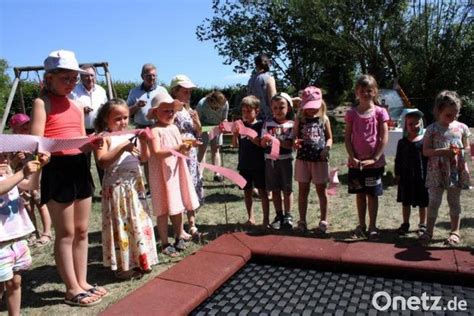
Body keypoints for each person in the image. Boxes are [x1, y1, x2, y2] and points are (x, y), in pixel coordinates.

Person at [30, 50, 106, 307]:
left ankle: (82, 281)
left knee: (82, 230)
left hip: (78, 166)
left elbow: (80, 144)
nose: (72, 83)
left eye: (75, 78)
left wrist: (92, 144)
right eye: (66, 78)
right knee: (66, 232)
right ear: (49, 78)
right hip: (57, 169)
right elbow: (37, 142)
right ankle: (71, 289)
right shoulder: (43, 103)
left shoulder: (76, 106)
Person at [94, 99, 158, 279]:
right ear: (106, 119)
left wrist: (144, 142)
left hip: (134, 187)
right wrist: (123, 147)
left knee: (137, 224)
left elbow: (144, 158)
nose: (123, 122)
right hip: (117, 188)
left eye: (125, 118)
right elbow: (102, 162)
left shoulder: (131, 134)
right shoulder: (103, 137)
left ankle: (142, 259)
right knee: (122, 225)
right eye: (118, 118)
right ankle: (124, 266)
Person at [147, 91, 200, 257]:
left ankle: (179, 235)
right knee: (163, 208)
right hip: (161, 174)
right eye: (166, 110)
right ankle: (164, 242)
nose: (170, 114)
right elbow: (156, 152)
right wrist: (178, 148)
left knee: (177, 205)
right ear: (155, 112)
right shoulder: (154, 131)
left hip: (175, 172)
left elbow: (179, 148)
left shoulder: (174, 128)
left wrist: (187, 146)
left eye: (172, 110)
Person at [421, 90, 471, 246]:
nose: (453, 118)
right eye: (449, 115)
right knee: (434, 201)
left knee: (454, 201)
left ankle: (455, 231)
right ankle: (429, 231)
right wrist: (443, 152)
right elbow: (426, 151)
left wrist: (458, 151)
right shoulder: (432, 129)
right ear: (438, 111)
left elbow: (468, 148)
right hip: (437, 171)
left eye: (455, 114)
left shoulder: (462, 127)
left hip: (455, 170)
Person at [344, 74, 389, 240]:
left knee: (372, 195)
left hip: (374, 164)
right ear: (357, 92)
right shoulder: (352, 113)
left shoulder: (380, 112)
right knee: (360, 194)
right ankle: (361, 225)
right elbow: (347, 137)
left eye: (369, 90)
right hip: (356, 164)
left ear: (375, 92)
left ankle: (372, 226)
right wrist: (352, 157)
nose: (366, 93)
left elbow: (384, 137)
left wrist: (375, 157)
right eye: (362, 90)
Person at [0, 155, 45, 315]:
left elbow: (31, 185)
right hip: (1, 244)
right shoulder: (11, 177)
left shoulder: (9, 175)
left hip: (16, 238)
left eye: (5, 156)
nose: (4, 160)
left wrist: (38, 168)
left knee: (15, 281)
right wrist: (22, 173)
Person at [293, 87, 333, 233]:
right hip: (303, 160)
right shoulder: (299, 119)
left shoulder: (324, 118)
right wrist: (295, 143)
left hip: (319, 161)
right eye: (309, 108)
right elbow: (294, 137)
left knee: (321, 191)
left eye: (314, 107)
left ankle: (323, 220)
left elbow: (329, 138)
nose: (311, 111)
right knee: (303, 190)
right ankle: (302, 221)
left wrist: (326, 149)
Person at [8, 114, 52, 247]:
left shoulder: (34, 141)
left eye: (28, 125)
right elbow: (10, 167)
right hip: (21, 179)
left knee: (41, 203)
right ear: (14, 130)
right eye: (22, 127)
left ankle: (47, 232)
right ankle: (33, 232)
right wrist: (16, 159)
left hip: (35, 177)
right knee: (27, 206)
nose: (26, 128)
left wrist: (32, 156)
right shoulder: (11, 145)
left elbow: (42, 159)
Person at [169, 74, 203, 239]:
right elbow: (170, 133)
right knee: (181, 187)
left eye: (190, 92)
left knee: (191, 186)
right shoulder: (171, 109)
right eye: (185, 91)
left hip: (192, 152)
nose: (188, 95)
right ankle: (180, 227)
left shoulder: (189, 109)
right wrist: (186, 142)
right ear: (175, 91)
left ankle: (192, 224)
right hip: (179, 152)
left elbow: (199, 131)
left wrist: (197, 121)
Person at [232, 95, 269, 226]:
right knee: (247, 192)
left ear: (256, 111)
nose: (245, 114)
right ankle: (251, 217)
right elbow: (235, 145)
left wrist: (249, 133)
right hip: (244, 164)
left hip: (258, 164)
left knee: (262, 192)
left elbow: (261, 144)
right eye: (243, 111)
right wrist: (235, 134)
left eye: (249, 111)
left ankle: (265, 220)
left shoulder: (260, 125)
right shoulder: (240, 125)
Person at [70, 64, 108, 187]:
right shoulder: (73, 91)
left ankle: (105, 187)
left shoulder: (101, 90)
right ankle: (88, 190)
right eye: (85, 76)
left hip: (99, 130)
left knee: (101, 160)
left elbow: (107, 108)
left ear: (95, 76)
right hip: (81, 131)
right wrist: (80, 110)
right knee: (83, 162)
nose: (89, 78)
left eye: (91, 75)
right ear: (80, 77)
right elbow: (68, 109)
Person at [261, 93, 294, 230]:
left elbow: (289, 144)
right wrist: (264, 140)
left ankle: (288, 216)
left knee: (287, 189)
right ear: (271, 109)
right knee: (274, 189)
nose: (278, 110)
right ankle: (278, 215)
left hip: (285, 160)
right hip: (270, 162)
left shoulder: (292, 124)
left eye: (282, 107)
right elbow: (262, 145)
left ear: (288, 108)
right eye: (275, 108)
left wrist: (276, 140)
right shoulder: (267, 124)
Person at [394, 109, 428, 236]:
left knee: (423, 201)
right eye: (410, 124)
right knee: (406, 201)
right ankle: (405, 223)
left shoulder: (425, 141)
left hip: (422, 176)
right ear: (406, 126)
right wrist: (397, 174)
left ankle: (422, 224)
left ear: (421, 123)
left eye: (416, 123)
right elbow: (398, 160)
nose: (414, 126)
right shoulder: (402, 142)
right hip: (406, 177)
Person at [196, 90, 229, 182]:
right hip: (203, 127)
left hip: (216, 127)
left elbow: (224, 118)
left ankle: (217, 174)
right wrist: (198, 131)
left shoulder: (225, 103)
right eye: (217, 106)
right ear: (211, 101)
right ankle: (199, 174)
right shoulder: (202, 104)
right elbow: (197, 119)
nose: (219, 108)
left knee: (216, 149)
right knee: (202, 149)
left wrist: (224, 123)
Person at [127, 63, 168, 128]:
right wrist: (136, 106)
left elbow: (170, 109)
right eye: (148, 75)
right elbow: (126, 112)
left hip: (159, 127)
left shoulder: (162, 91)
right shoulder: (134, 92)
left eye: (154, 75)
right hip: (140, 128)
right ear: (142, 76)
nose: (152, 78)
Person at [247, 54, 277, 121]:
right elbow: (273, 100)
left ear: (256, 65)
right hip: (267, 118)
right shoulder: (269, 79)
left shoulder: (250, 80)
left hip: (253, 118)